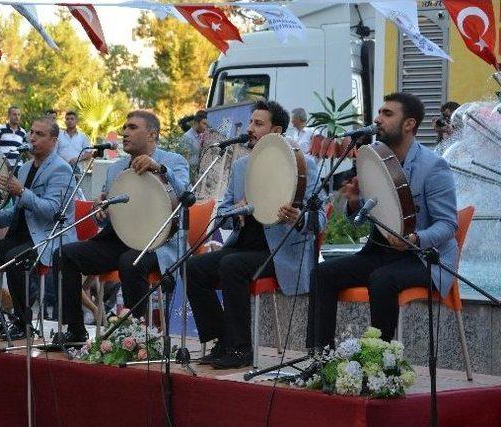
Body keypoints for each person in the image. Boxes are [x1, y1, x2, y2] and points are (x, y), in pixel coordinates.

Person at [306, 92, 458, 350]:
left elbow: (448, 225)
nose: (377, 119)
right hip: (380, 252)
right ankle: (319, 354)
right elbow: (365, 220)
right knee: (322, 273)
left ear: (409, 124)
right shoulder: (375, 160)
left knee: (382, 279)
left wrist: (415, 239)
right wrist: (354, 204)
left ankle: (380, 362)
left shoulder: (434, 167)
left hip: (421, 258)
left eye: (387, 114)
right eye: (379, 112)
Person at [186, 100, 324, 369]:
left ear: (276, 131)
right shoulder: (241, 167)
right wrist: (235, 212)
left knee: (231, 265)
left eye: (257, 124)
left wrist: (299, 218)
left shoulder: (302, 164)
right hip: (243, 246)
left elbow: (319, 218)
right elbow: (223, 213)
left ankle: (241, 349)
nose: (250, 128)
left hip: (280, 252)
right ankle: (223, 338)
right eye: (250, 122)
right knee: (194, 266)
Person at [54, 110, 189, 344]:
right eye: (124, 127)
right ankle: (75, 331)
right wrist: (101, 210)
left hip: (156, 243)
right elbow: (106, 218)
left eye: (132, 128)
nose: (125, 133)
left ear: (152, 135)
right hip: (118, 240)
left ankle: (134, 335)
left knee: (130, 262)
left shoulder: (173, 161)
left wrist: (159, 168)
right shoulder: (116, 169)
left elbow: (185, 197)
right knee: (65, 254)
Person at [0, 117, 76, 339]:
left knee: (15, 258)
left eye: (39, 134)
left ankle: (22, 323)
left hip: (46, 237)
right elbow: (17, 211)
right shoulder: (24, 168)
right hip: (20, 234)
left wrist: (21, 192)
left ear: (53, 140)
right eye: (31, 132)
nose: (32, 138)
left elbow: (53, 211)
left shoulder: (61, 170)